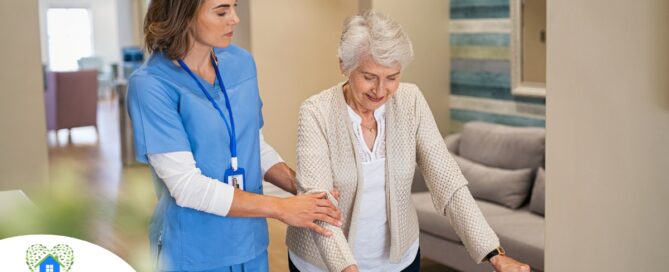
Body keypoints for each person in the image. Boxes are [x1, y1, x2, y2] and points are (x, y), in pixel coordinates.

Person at [285, 11, 531, 272]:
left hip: (398, 262)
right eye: (369, 77)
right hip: (323, 263)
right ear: (344, 65)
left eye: (392, 77)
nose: (381, 91)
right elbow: (320, 206)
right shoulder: (316, 112)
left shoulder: (411, 101)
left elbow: (447, 182)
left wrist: (494, 252)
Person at [127, 0, 341, 271]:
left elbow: (254, 145)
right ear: (184, 15)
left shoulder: (241, 63)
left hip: (250, 243)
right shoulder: (150, 85)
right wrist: (282, 208)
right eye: (222, 11)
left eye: (235, 7)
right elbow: (186, 186)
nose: (235, 19)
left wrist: (301, 187)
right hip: (194, 251)